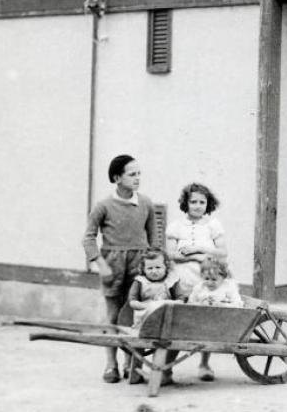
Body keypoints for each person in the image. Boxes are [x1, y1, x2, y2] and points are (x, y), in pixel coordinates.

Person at [82, 154, 156, 383]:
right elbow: (88, 238)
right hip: (113, 267)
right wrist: (100, 264)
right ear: (117, 178)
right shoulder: (103, 206)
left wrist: (154, 266)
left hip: (138, 266)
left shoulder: (145, 203)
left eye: (139, 173)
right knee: (114, 317)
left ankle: (131, 364)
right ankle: (111, 365)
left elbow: (153, 240)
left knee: (134, 316)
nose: (137, 178)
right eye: (132, 174)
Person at [124, 248, 180, 384]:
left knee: (169, 343)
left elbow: (181, 299)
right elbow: (132, 301)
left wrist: (169, 303)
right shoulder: (140, 281)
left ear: (166, 266)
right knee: (139, 342)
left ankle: (164, 372)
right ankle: (136, 373)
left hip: (166, 323)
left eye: (158, 267)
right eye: (150, 268)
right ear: (143, 269)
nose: (154, 271)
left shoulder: (171, 281)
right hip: (144, 321)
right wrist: (146, 306)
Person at [184, 257, 244, 381]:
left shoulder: (229, 288)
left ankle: (204, 365)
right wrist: (199, 305)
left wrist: (223, 305)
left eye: (214, 279)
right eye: (206, 279)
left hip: (224, 322)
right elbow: (191, 303)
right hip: (202, 321)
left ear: (223, 277)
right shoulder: (199, 288)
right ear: (202, 276)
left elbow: (238, 305)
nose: (210, 282)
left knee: (208, 333)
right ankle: (204, 364)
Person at [166, 182, 227, 300]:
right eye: (193, 202)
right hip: (183, 277)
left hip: (207, 277)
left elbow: (223, 252)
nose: (198, 206)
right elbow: (171, 254)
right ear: (186, 203)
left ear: (208, 204)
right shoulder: (176, 226)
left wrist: (198, 249)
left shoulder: (213, 225)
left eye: (202, 202)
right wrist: (195, 258)